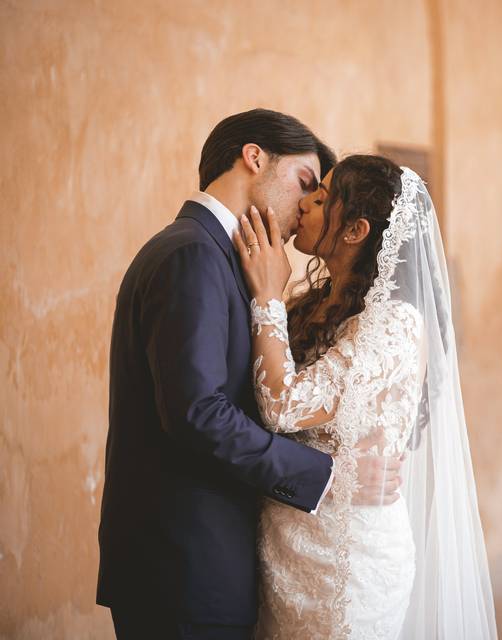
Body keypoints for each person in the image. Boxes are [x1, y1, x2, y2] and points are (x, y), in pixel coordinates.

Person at [97, 109, 402, 639]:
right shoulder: (192, 253)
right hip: (185, 565)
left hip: (218, 562)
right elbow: (198, 413)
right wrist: (329, 477)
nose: (307, 206)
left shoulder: (217, 255)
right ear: (254, 157)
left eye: (321, 197)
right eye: (305, 183)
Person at [234, 155, 498, 639]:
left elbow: (283, 406)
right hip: (288, 546)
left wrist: (267, 296)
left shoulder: (395, 325)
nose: (307, 202)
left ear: (354, 230)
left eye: (323, 197)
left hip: (348, 558)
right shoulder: (319, 303)